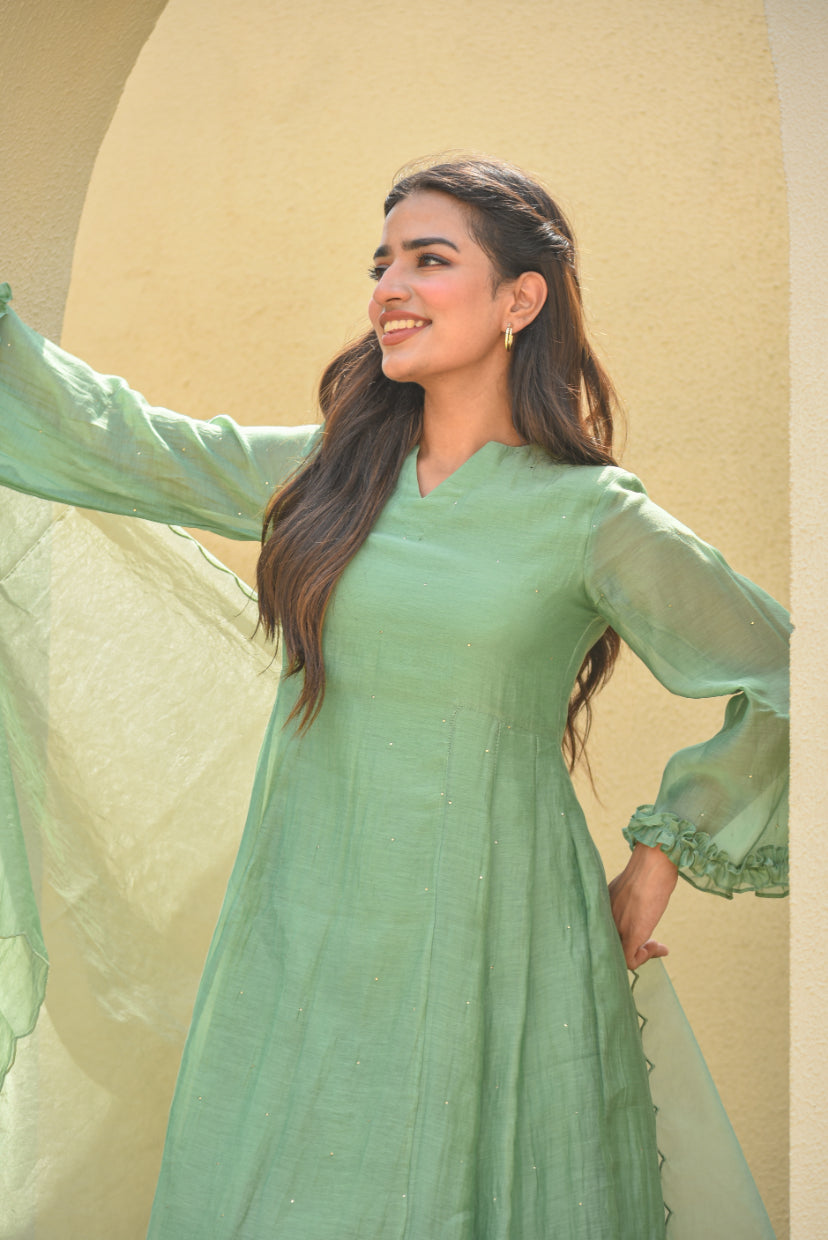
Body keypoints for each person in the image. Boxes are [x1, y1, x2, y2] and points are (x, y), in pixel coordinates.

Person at [0, 158, 788, 1239]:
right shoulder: (329, 477)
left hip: (498, 940)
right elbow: (125, 444)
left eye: (429, 259)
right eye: (381, 265)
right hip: (303, 936)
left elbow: (786, 678)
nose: (390, 289)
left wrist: (660, 860)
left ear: (521, 299)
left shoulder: (592, 517)